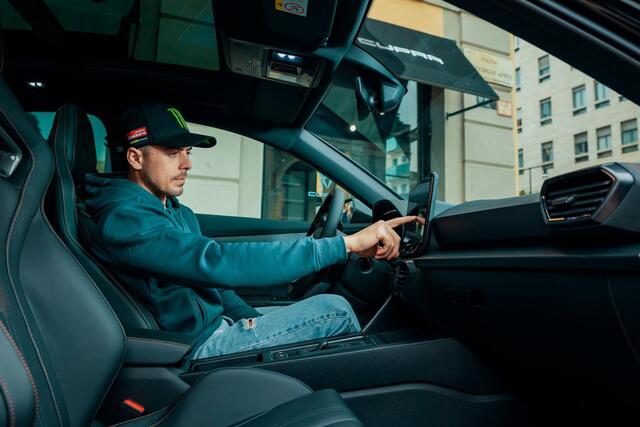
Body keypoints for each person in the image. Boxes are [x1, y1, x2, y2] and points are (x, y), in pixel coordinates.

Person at [84, 103, 418, 359]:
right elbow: (216, 262)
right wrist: (344, 245)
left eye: (187, 152)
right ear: (135, 158)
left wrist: (251, 321)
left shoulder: (174, 210)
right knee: (335, 310)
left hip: (219, 326)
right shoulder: (126, 219)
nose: (187, 164)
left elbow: (214, 285)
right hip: (194, 347)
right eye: (173, 153)